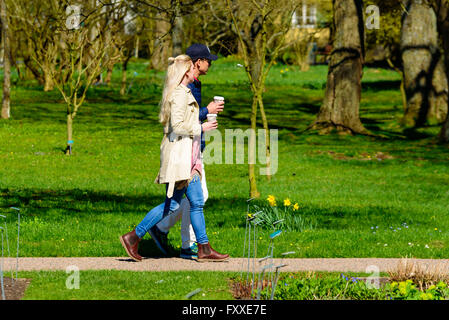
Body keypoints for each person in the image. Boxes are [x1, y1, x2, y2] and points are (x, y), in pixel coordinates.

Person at [120, 54, 229, 262]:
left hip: (190, 155)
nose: (193, 71)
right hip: (182, 157)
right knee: (172, 206)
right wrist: (201, 126)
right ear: (184, 72)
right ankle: (134, 236)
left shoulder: (183, 92)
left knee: (195, 202)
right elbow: (177, 126)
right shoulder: (179, 94)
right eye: (190, 68)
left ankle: (204, 249)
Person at [149, 44, 224, 260]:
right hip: (184, 149)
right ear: (197, 62)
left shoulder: (194, 83)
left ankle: (185, 243)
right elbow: (180, 121)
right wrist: (206, 113)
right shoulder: (187, 87)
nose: (210, 63)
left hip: (192, 145)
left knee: (190, 200)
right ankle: (164, 235)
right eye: (208, 60)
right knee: (186, 200)